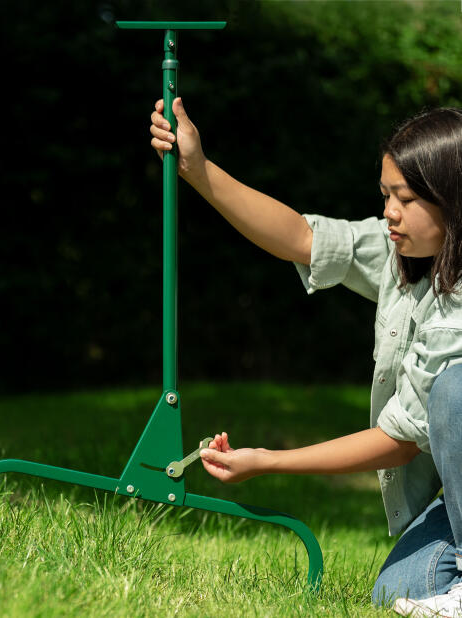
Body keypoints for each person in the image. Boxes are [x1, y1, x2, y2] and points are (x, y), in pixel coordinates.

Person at [150, 98, 462, 616]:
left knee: (455, 388)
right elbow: (304, 238)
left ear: (452, 200)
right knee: (395, 594)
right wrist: (198, 169)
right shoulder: (405, 254)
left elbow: (400, 441)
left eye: (404, 198)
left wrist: (269, 462)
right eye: (385, 194)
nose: (389, 212)